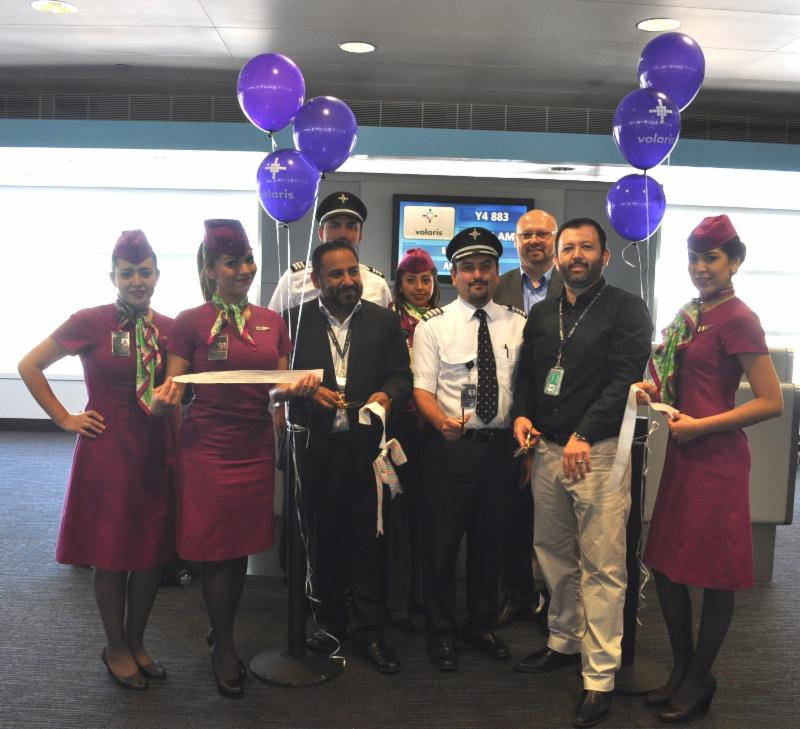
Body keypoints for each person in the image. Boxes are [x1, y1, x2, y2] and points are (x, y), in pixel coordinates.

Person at [150, 219, 318, 698]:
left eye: (247, 260)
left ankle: (219, 628)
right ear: (209, 270)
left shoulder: (272, 319)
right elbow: (178, 383)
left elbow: (278, 385)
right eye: (231, 262)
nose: (244, 269)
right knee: (216, 551)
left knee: (240, 547)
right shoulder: (190, 322)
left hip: (254, 445)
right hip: (207, 449)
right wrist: (167, 392)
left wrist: (299, 388)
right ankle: (223, 645)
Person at [637, 215, 782, 723]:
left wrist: (703, 426)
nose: (700, 268)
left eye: (711, 258)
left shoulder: (740, 317)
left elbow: (770, 402)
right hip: (684, 452)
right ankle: (682, 669)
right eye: (694, 258)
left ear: (735, 261)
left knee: (715, 576)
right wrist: (653, 393)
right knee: (668, 565)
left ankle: (700, 679)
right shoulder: (690, 314)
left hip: (716, 459)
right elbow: (674, 377)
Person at [17, 230, 175, 691]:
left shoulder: (168, 327)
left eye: (145, 272)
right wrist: (64, 417)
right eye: (128, 273)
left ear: (157, 275)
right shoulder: (90, 321)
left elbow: (179, 395)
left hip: (154, 452)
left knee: (149, 555)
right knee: (112, 554)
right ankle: (115, 646)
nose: (137, 281)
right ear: (113, 277)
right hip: (107, 454)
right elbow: (30, 364)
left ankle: (137, 641)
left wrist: (178, 454)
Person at [511, 217, 652, 728]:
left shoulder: (626, 309)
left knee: (602, 565)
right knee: (552, 555)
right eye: (567, 247)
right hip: (547, 450)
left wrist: (584, 434)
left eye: (585, 247)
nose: (575, 255)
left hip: (598, 452)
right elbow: (528, 375)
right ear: (556, 254)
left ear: (604, 256)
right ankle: (563, 641)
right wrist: (523, 415)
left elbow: (625, 381)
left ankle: (599, 676)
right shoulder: (545, 313)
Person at [286, 240, 412, 674]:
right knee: (324, 540)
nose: (347, 281)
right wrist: (299, 390)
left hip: (368, 452)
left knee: (369, 542)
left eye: (352, 272)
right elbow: (277, 384)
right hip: (316, 449)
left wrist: (388, 395)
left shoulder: (383, 321)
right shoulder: (293, 323)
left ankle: (369, 633)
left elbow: (401, 375)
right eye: (336, 274)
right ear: (317, 280)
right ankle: (330, 624)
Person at [412, 227, 526, 672]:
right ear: (453, 275)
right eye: (467, 268)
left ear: (497, 273)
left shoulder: (519, 324)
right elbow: (422, 388)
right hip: (449, 450)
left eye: (485, 267)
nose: (477, 275)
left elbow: (526, 390)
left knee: (491, 542)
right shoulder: (433, 327)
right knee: (440, 545)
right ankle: (441, 632)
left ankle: (480, 623)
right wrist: (439, 420)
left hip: (501, 450)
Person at [493, 209, 562, 630]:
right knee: (513, 513)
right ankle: (518, 594)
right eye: (526, 235)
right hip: (508, 415)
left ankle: (557, 601)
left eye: (542, 234)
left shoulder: (575, 288)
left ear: (554, 239)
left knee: (557, 518)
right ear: (515, 241)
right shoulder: (496, 287)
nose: (534, 240)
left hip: (559, 415)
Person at [385, 248, 440, 625]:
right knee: (396, 512)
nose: (419, 288)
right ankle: (396, 597)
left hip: (435, 426)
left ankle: (426, 592)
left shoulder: (444, 319)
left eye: (425, 280)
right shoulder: (387, 321)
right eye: (411, 280)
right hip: (399, 428)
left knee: (430, 512)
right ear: (399, 284)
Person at [268, 190, 392, 312]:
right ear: (321, 233)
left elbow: (388, 328)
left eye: (350, 226)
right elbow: (273, 326)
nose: (343, 234)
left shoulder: (377, 284)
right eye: (335, 225)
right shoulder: (294, 279)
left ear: (360, 235)